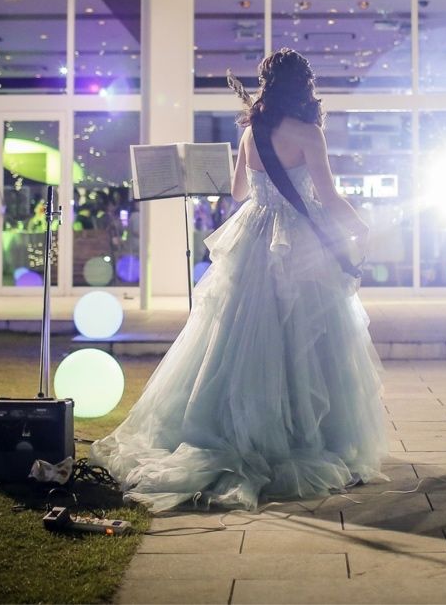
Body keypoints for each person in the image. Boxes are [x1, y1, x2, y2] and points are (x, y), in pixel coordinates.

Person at [91, 49, 386, 511]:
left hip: (253, 235)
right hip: (296, 240)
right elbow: (328, 197)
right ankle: (301, 435)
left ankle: (225, 430)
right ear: (304, 86)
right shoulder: (309, 133)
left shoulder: (252, 131)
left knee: (234, 340)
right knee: (304, 340)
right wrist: (361, 227)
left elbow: (238, 191)